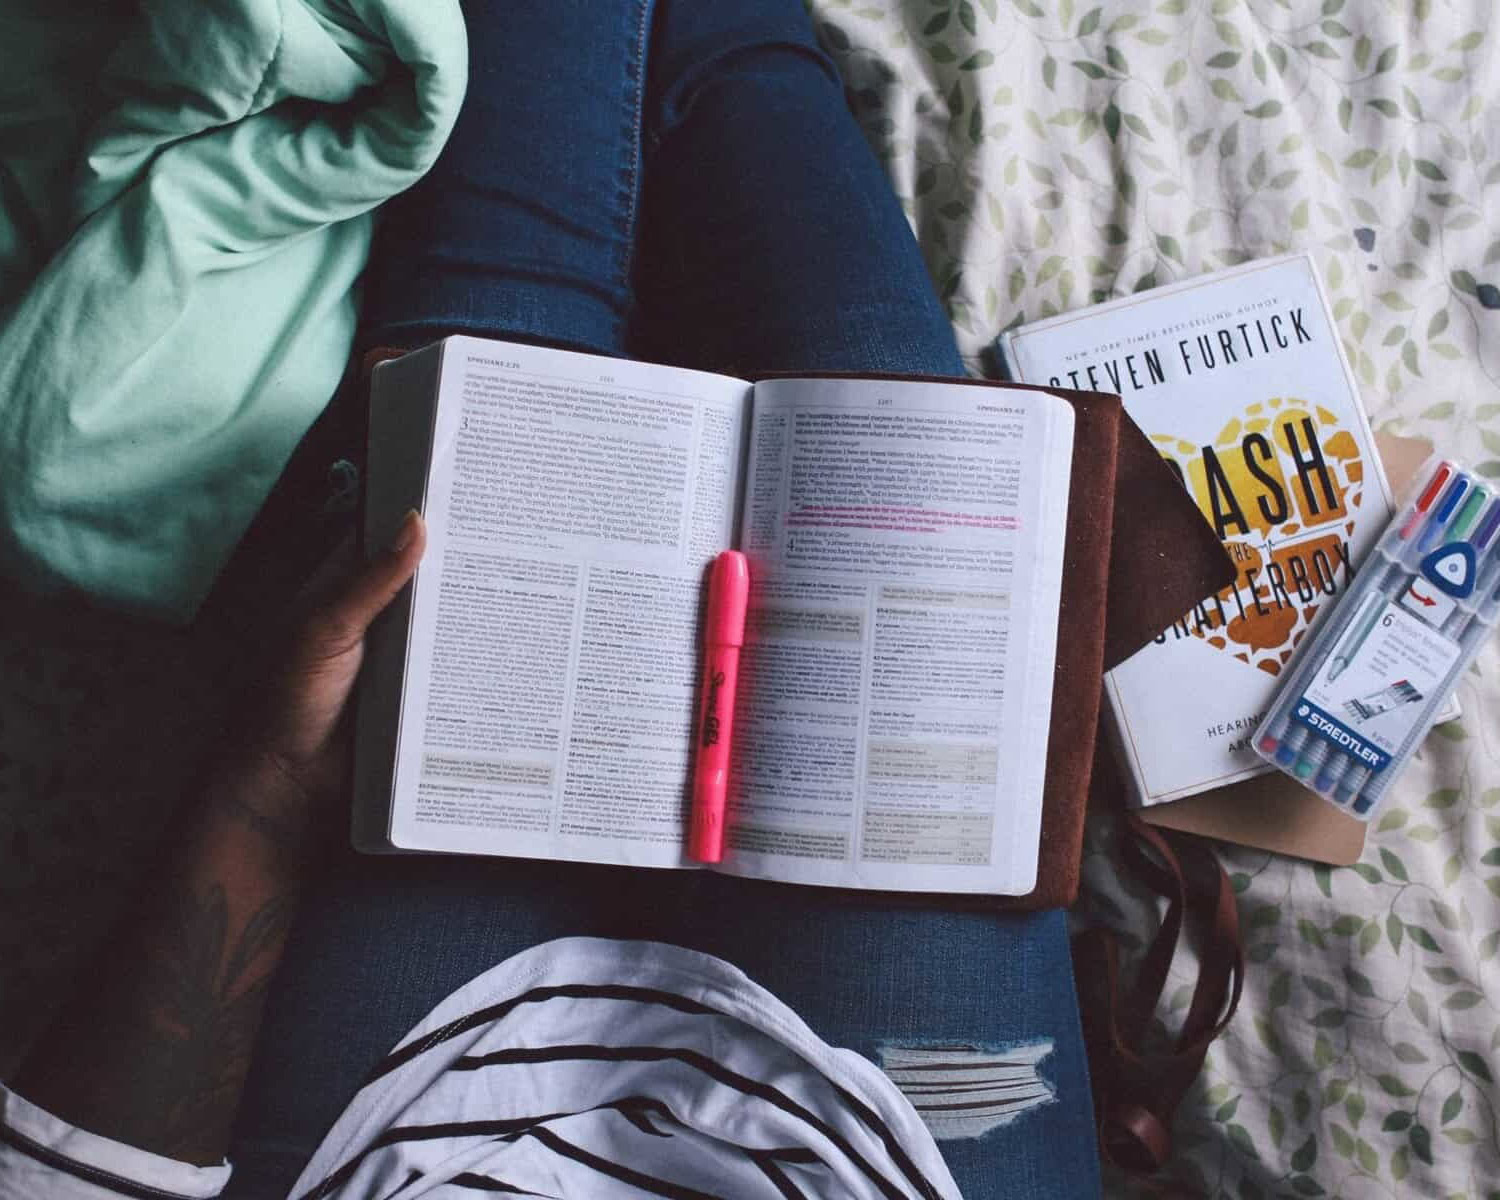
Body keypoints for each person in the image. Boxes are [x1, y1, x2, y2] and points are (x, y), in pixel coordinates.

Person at [0, 1, 1101, 1196]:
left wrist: (270, 777)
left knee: (500, 319)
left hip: (395, 1135)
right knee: (854, 360)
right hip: (880, 1150)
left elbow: (82, 1169)